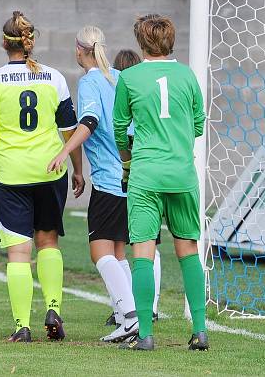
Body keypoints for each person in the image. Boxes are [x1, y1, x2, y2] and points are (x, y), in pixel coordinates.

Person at [0, 11, 84, 343]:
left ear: (4, 43)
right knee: (49, 242)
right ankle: (53, 308)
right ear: (30, 41)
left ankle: (22, 326)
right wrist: (78, 169)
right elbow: (69, 131)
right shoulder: (54, 77)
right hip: (50, 171)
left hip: (11, 176)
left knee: (19, 253)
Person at [113, 14, 208, 351]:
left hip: (146, 175)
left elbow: (120, 129)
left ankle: (145, 336)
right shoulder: (187, 75)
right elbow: (198, 125)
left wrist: (127, 162)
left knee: (143, 252)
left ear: (141, 43)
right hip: (182, 173)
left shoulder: (129, 77)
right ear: (171, 41)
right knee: (188, 249)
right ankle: (199, 331)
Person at [47, 27, 138, 343]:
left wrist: (64, 151)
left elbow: (89, 122)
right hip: (133, 174)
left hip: (111, 179)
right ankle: (129, 313)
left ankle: (129, 317)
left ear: (79, 49)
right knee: (117, 250)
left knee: (99, 251)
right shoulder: (117, 75)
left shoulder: (89, 82)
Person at [113, 49, 163, 325]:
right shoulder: (156, 90)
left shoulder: (125, 86)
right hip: (160, 172)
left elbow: (120, 130)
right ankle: (150, 307)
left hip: (133, 177)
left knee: (130, 247)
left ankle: (133, 310)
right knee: (154, 243)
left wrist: (125, 157)